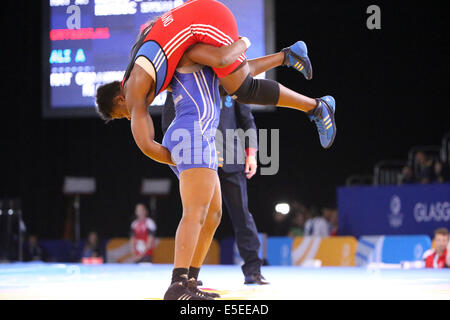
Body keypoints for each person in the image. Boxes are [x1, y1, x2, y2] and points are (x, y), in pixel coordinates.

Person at [96, 0, 337, 170]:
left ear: (120, 99)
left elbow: (147, 146)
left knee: (242, 88)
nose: (128, 118)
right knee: (222, 82)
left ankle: (316, 107)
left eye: (121, 115)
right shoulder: (148, 74)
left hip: (208, 18)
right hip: (197, 18)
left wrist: (242, 43)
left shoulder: (136, 91)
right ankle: (289, 56)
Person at [163, 91, 268, 285]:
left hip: (230, 157)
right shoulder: (188, 82)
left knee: (241, 214)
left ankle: (253, 269)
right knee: (196, 214)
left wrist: (251, 154)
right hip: (197, 156)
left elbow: (247, 120)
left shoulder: (232, 82)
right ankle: (187, 273)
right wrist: (180, 153)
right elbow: (169, 120)